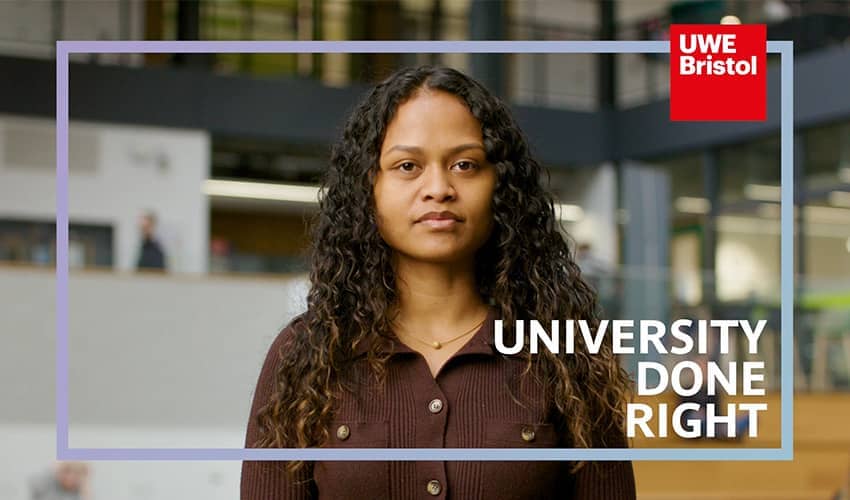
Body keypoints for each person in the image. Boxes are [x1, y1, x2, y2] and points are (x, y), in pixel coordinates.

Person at [241, 66, 636, 499]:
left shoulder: (565, 355)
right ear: (368, 187)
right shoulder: (305, 354)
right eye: (407, 166)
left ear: (501, 185)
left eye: (465, 164)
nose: (439, 188)